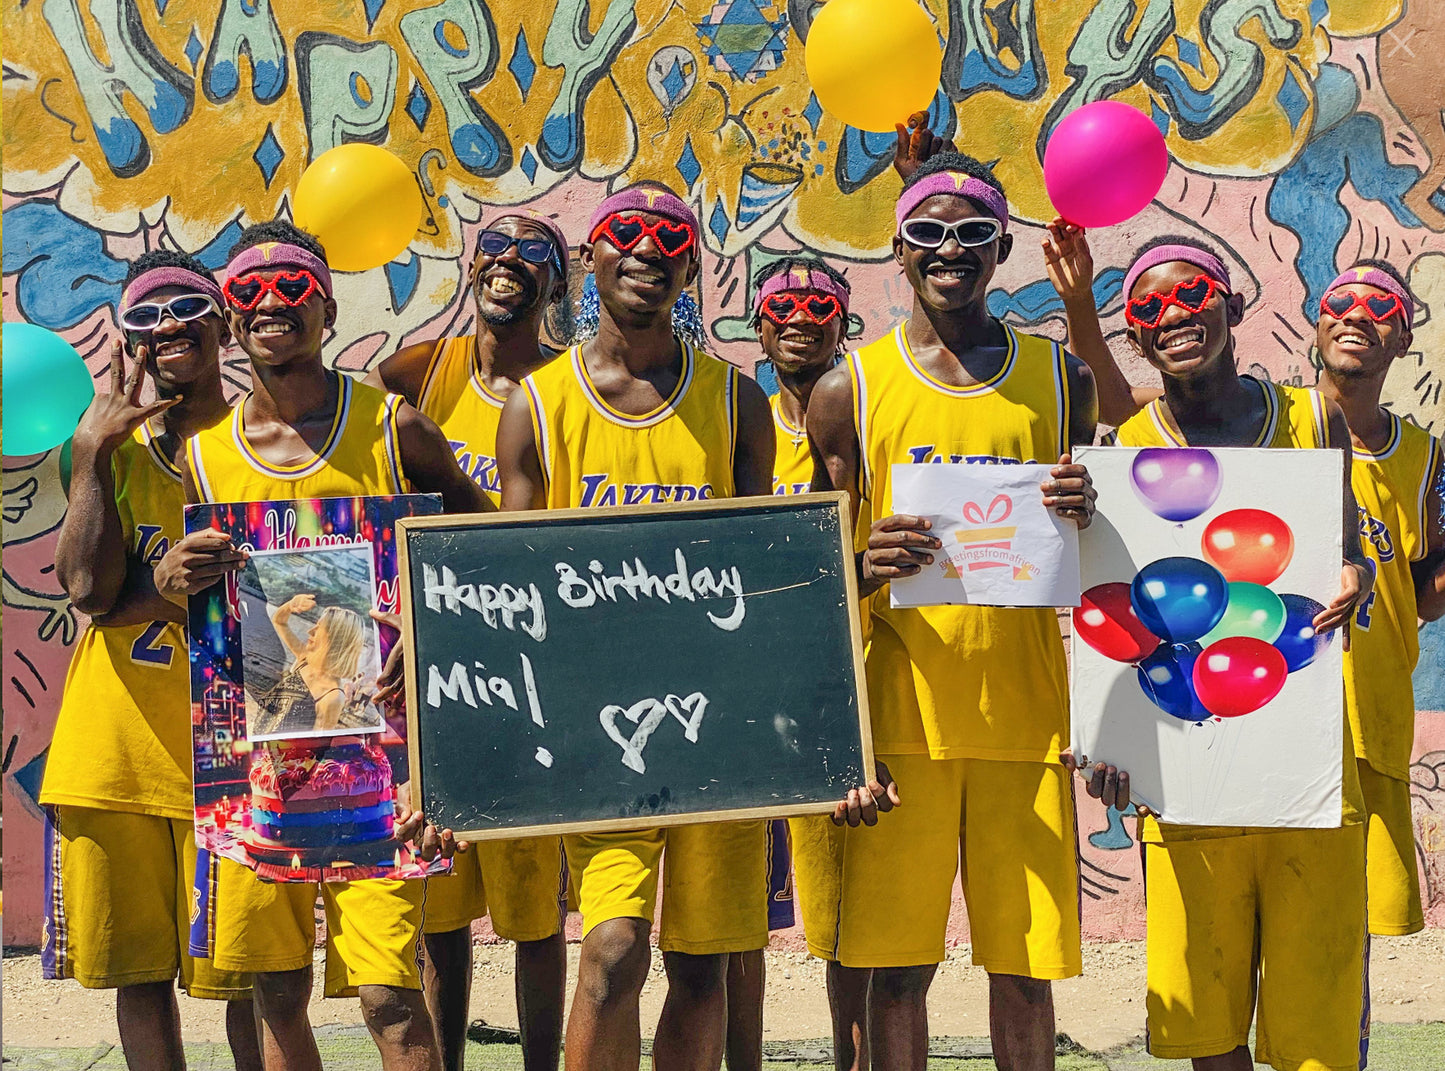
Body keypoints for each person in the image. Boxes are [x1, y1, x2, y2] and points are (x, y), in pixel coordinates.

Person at [494, 182, 894, 1071]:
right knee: (608, 953)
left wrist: (826, 736)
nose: (646, 248)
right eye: (623, 234)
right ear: (591, 258)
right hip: (598, 734)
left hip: (715, 729)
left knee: (704, 966)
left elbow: (769, 586)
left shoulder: (732, 402)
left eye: (668, 237)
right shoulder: (539, 406)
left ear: (689, 264)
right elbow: (508, 598)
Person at [1046, 225, 1445, 954]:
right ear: (1315, 320)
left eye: (1380, 304)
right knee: (1217, 965)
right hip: (1212, 734)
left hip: (1354, 719)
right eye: (1341, 299)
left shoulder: (1386, 446)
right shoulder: (1159, 436)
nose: (1357, 313)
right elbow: (1110, 402)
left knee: (1333, 947)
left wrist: (1357, 566)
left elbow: (1419, 585)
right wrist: (1077, 302)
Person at [153, 219, 488, 1071]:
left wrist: (430, 616)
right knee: (273, 993)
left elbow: (485, 546)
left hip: (383, 758)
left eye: (292, 286)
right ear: (229, 318)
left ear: (327, 308)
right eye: (250, 293)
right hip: (257, 759)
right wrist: (169, 575)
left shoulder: (393, 427)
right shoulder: (205, 457)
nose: (271, 302)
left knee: (389, 999)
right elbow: (183, 600)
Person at [805, 153, 1099, 1071]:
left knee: (1021, 976)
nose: (950, 249)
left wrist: (1092, 515)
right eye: (928, 232)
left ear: (1001, 247)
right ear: (897, 248)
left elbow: (1100, 557)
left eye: (972, 233)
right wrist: (859, 563)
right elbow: (809, 577)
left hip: (1022, 721)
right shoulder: (847, 388)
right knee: (898, 974)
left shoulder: (1062, 383)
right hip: (902, 723)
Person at [1090, 237, 1374, 1071]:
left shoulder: (1313, 417)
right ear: (1136, 341)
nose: (1175, 315)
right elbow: (1121, 621)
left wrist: (1353, 575)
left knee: (1315, 1027)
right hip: (1189, 773)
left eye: (1194, 295)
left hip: (1308, 765)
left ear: (1233, 302)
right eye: (1147, 310)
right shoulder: (1124, 447)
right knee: (1207, 1027)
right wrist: (1113, 750)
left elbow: (1344, 548)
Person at [42, 249, 262, 1071]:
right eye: (145, 315)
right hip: (119, 753)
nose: (168, 326)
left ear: (224, 324)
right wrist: (93, 453)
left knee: (254, 976)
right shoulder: (113, 453)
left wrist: (170, 587)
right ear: (128, 341)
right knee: (139, 979)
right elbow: (85, 590)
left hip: (232, 754)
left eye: (186, 307)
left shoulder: (262, 445)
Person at [365, 210, 572, 1071]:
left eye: (534, 252)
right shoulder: (413, 374)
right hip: (433, 672)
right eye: (497, 245)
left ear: (558, 280)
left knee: (533, 912)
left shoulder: (568, 384)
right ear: (471, 261)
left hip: (530, 673)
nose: (510, 262)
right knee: (441, 911)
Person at [731, 255, 873, 1071]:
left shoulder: (864, 410)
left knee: (842, 924)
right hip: (742, 691)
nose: (799, 316)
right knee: (734, 915)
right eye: (782, 303)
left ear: (842, 321)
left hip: (835, 690)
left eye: (819, 304)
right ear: (759, 322)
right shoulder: (737, 414)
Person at [252, 596, 368, 736]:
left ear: (335, 640)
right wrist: (291, 605)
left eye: (319, 628)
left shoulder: (332, 696)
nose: (310, 631)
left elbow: (315, 747)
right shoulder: (305, 659)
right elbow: (279, 621)